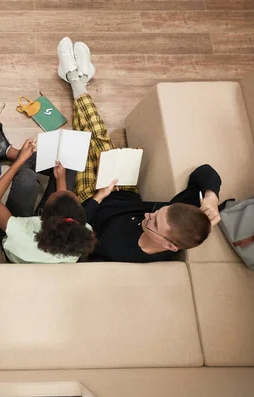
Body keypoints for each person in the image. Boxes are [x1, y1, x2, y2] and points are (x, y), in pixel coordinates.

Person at [55, 37, 222, 263]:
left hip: (91, 201)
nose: (147, 214)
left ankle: (78, 80)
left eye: (152, 222)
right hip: (122, 187)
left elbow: (82, 227)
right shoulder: (180, 220)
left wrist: (99, 196)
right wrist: (211, 198)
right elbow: (205, 172)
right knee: (98, 135)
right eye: (156, 213)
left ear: (168, 245)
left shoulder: (115, 250)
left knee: (83, 144)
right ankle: (77, 81)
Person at [0, 125, 96, 263]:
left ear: (42, 216)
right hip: (48, 229)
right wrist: (60, 179)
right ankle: (12, 153)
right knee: (66, 166)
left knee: (26, 178)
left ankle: (12, 154)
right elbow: (62, 201)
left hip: (17, 237)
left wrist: (19, 161)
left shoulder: (20, 235)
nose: (62, 190)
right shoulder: (82, 234)